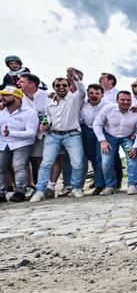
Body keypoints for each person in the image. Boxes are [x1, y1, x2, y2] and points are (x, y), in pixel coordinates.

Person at [30, 69, 86, 202]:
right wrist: (45, 125)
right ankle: (40, 190)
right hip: (53, 135)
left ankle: (76, 188)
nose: (61, 87)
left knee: (77, 163)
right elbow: (48, 117)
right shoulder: (49, 101)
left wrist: (75, 78)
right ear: (54, 87)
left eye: (64, 85)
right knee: (46, 164)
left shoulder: (74, 98)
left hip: (72, 134)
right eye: (58, 85)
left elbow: (82, 91)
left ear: (68, 86)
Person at [93, 91, 137, 195]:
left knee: (132, 158)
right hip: (109, 137)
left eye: (128, 100)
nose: (126, 102)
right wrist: (102, 140)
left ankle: (132, 184)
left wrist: (136, 146)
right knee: (106, 162)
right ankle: (110, 186)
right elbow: (97, 124)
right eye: (123, 100)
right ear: (117, 100)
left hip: (127, 137)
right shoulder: (108, 109)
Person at [0, 87, 38, 202]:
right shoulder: (2, 110)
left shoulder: (30, 112)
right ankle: (1, 193)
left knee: (19, 166)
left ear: (16, 97)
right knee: (0, 168)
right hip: (3, 143)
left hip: (21, 143)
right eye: (2, 95)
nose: (2, 98)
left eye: (6, 95)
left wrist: (11, 133)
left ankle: (20, 192)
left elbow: (31, 133)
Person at [80, 83, 108, 194]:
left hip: (102, 132)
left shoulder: (108, 105)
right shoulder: (82, 104)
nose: (94, 95)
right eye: (91, 93)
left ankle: (100, 184)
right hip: (87, 131)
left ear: (102, 95)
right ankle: (98, 179)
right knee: (92, 158)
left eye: (97, 93)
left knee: (100, 158)